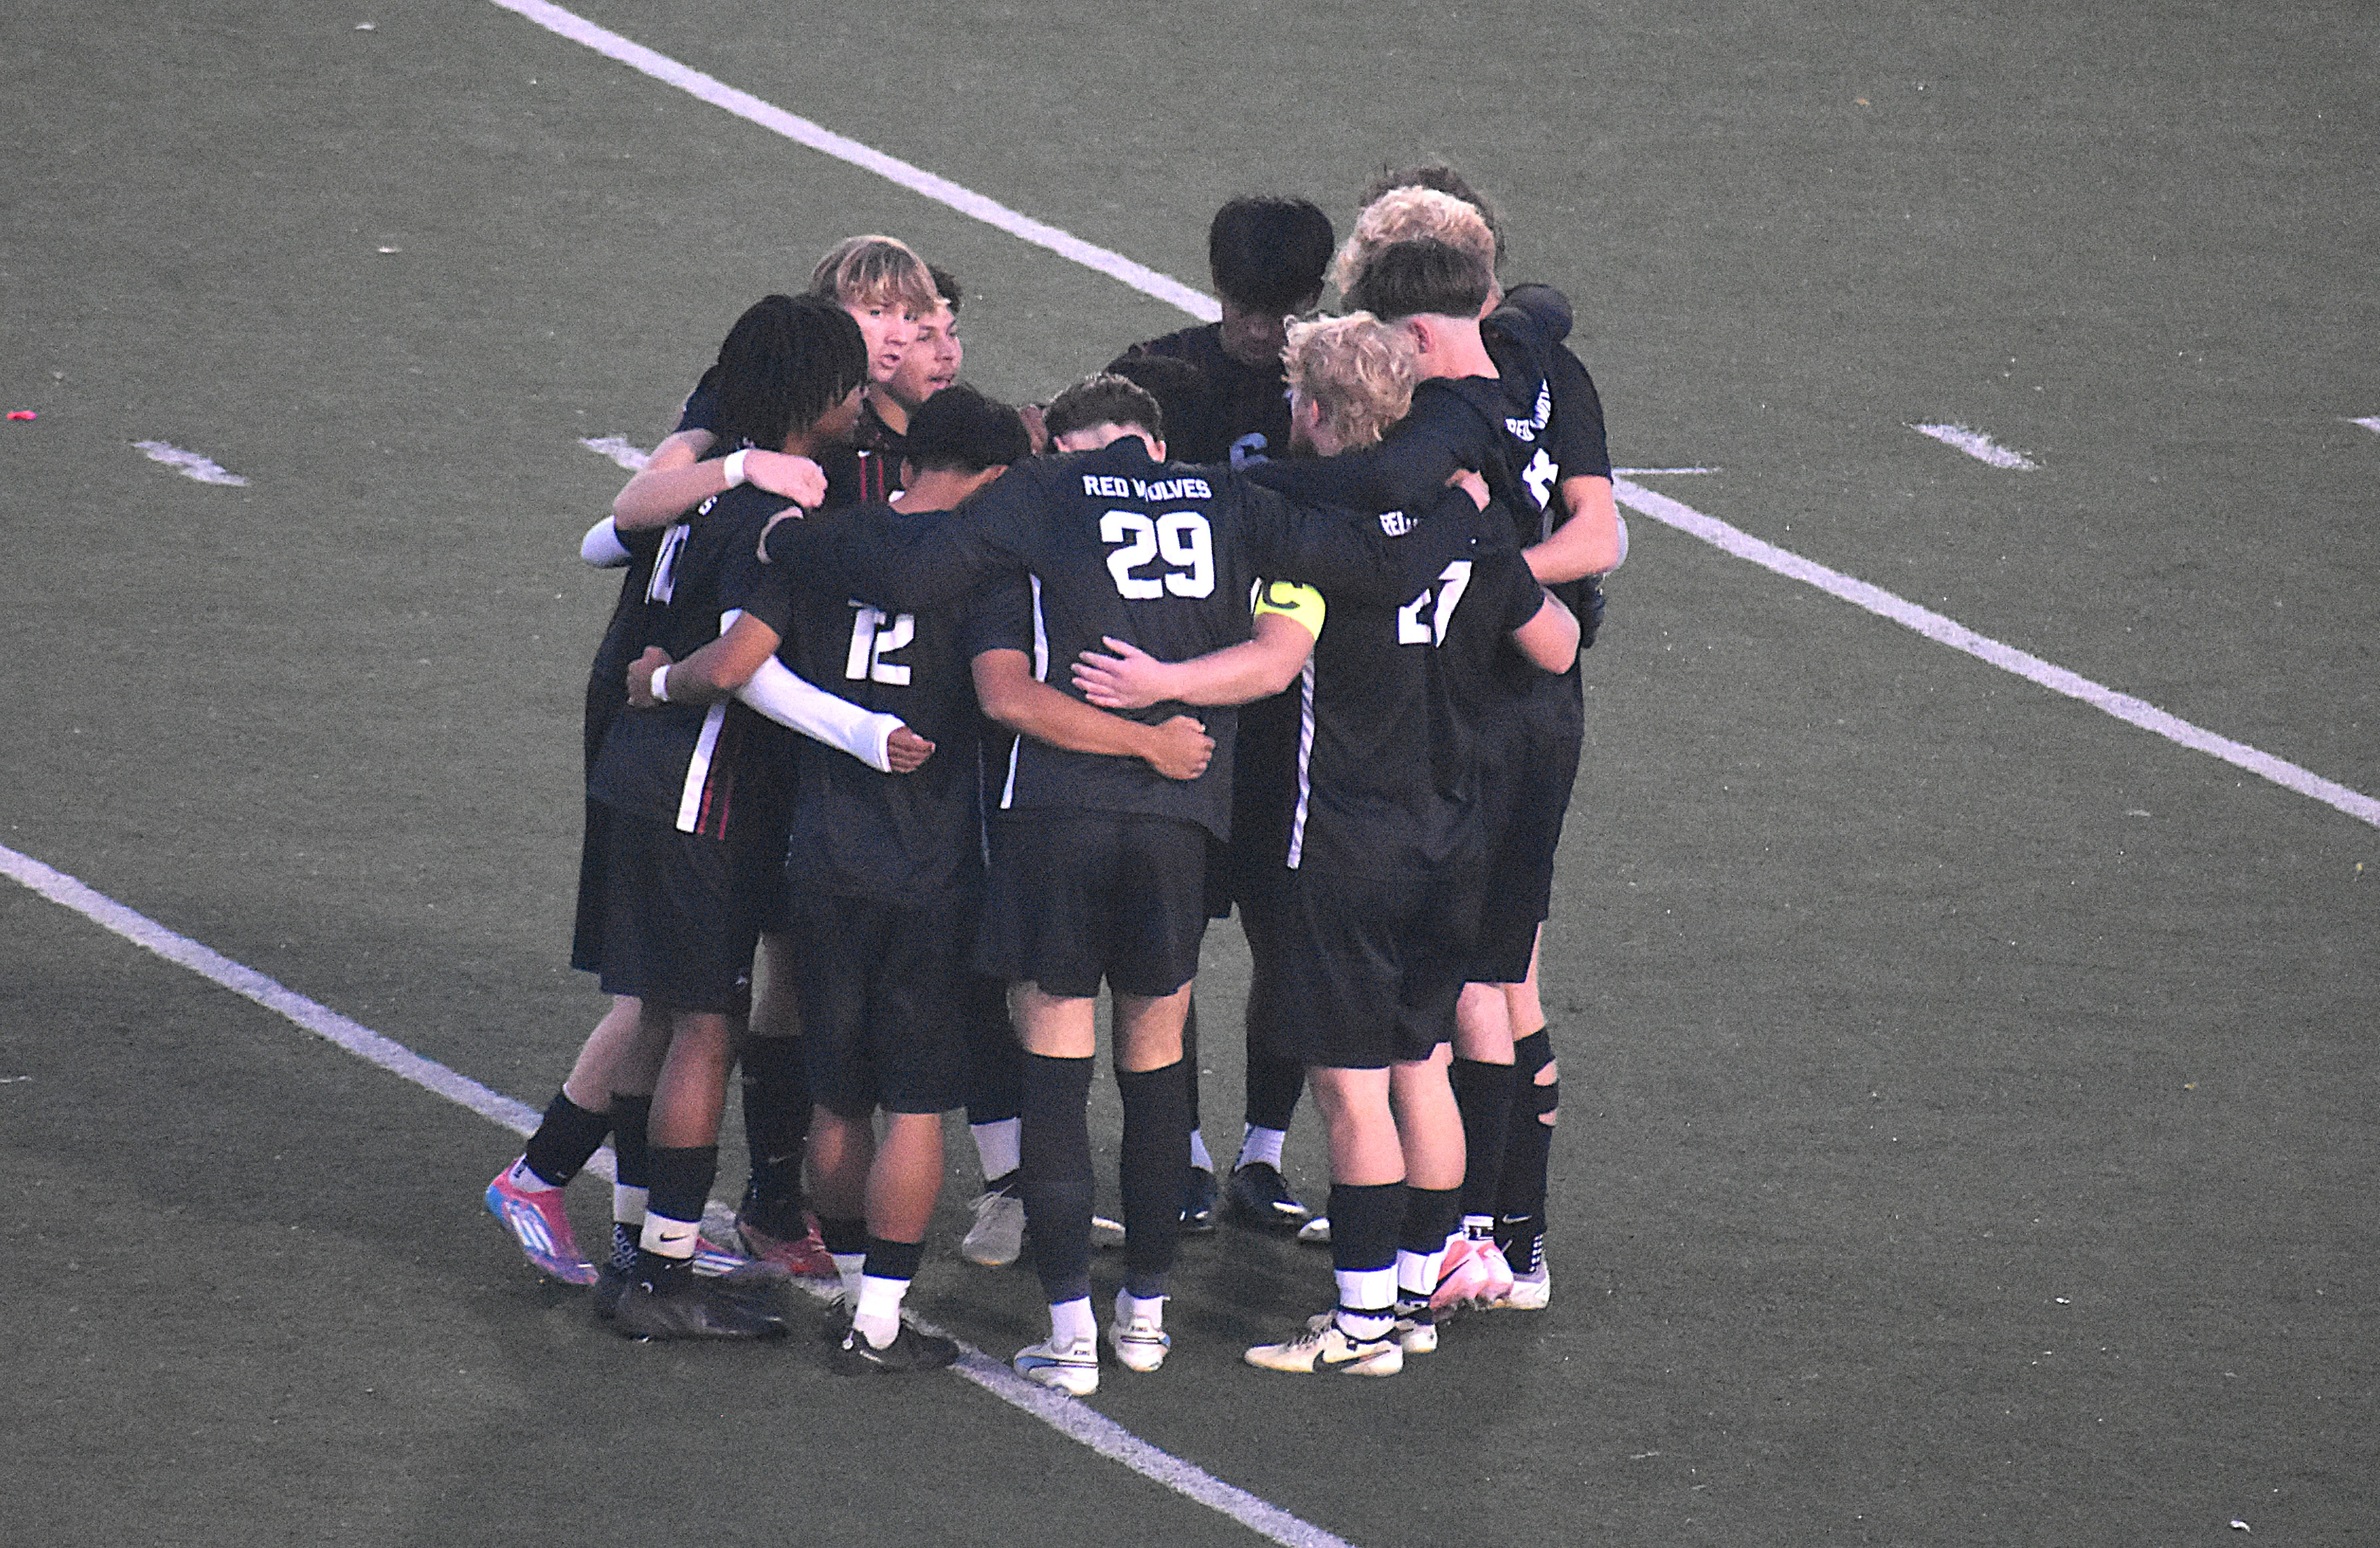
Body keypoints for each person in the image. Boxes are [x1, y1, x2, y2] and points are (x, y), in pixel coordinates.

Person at [760, 372, 1407, 1391]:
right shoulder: (1229, 497)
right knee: (1155, 1063)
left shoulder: (1041, 502)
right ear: (1153, 444)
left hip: (1053, 820)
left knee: (1055, 1065)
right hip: (1180, 827)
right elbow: (1328, 592)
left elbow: (921, 571)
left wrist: (786, 541)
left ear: (1072, 447)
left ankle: (1069, 1337)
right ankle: (1144, 1318)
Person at [1072, 314, 1577, 1375]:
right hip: (1453, 836)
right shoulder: (1466, 519)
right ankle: (1415, 1293)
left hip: (1339, 837)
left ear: (1310, 409)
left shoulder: (1292, 533)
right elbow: (1557, 639)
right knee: (1421, 1066)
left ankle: (1358, 1327)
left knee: (1351, 1088)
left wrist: (1156, 685)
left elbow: (1267, 664)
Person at [589, 294, 872, 1338]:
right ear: (816, 397)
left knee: (657, 1015)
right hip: (699, 796)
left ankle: (632, 1247)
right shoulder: (779, 520)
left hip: (637, 779)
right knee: (707, 1027)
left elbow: (612, 540)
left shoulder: (697, 499)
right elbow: (740, 665)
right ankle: (666, 1275)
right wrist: (863, 735)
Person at [1109, 195, 1334, 466]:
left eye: (1277, 312)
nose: (1258, 331)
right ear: (1217, 280)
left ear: (1313, 296)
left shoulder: (1342, 375)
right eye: (1243, 308)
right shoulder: (1150, 373)